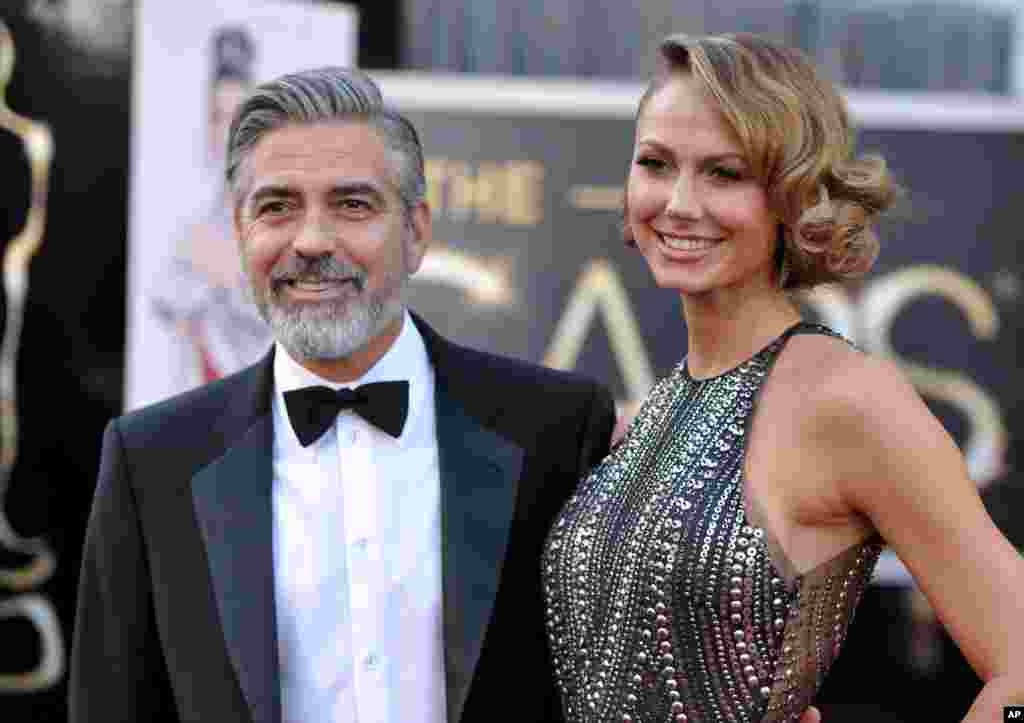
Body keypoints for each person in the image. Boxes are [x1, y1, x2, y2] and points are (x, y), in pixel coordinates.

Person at [69, 67, 616, 722]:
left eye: (352, 204)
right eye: (276, 207)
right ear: (240, 234)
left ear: (416, 231)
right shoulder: (151, 462)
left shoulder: (556, 431)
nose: (312, 241)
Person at [542, 32, 1024, 723]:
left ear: (793, 199)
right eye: (655, 163)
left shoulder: (845, 398)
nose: (678, 201)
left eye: (724, 173)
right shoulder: (653, 408)